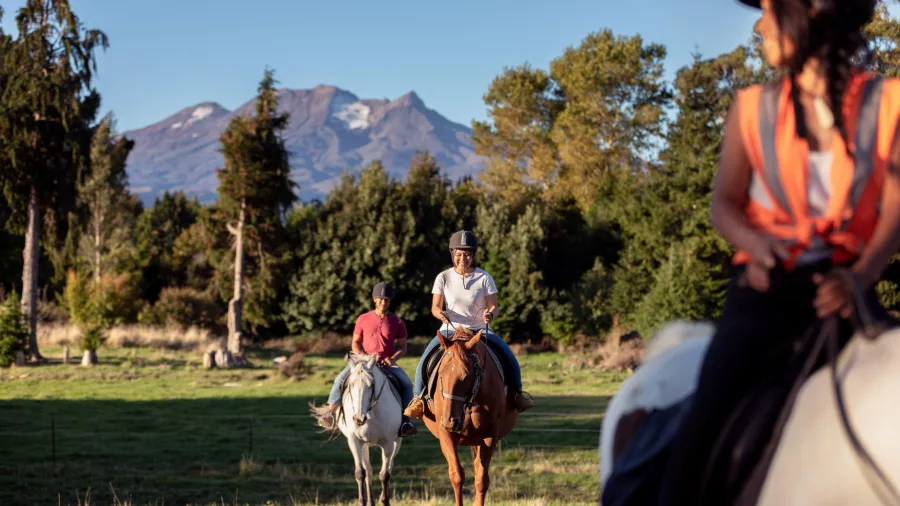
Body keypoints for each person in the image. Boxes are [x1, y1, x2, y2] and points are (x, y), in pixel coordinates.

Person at [657, 0, 900, 504]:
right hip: (764, 293)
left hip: (847, 293)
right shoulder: (751, 107)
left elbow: (897, 210)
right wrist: (758, 246)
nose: (760, 24)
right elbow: (724, 205)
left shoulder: (891, 102)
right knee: (704, 422)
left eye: (770, 8)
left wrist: (860, 275)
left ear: (811, 11)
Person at [404, 230, 535, 418]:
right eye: (458, 254)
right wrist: (440, 314)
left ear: (473, 255)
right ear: (452, 254)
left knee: (508, 356)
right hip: (450, 329)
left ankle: (517, 394)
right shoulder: (443, 277)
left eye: (467, 254)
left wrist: (490, 314)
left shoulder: (484, 277)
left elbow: (493, 306)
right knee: (425, 359)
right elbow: (435, 307)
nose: (462, 258)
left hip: (479, 330)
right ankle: (418, 399)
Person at [314, 282, 417, 438]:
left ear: (390, 301)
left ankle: (405, 421)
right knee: (340, 379)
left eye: (387, 299)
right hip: (362, 363)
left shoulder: (397, 322)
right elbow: (355, 342)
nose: (383, 302)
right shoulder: (363, 319)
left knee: (407, 384)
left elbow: (403, 347)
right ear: (374, 299)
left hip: (384, 363)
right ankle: (331, 414)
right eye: (380, 299)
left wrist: (393, 358)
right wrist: (361, 355)